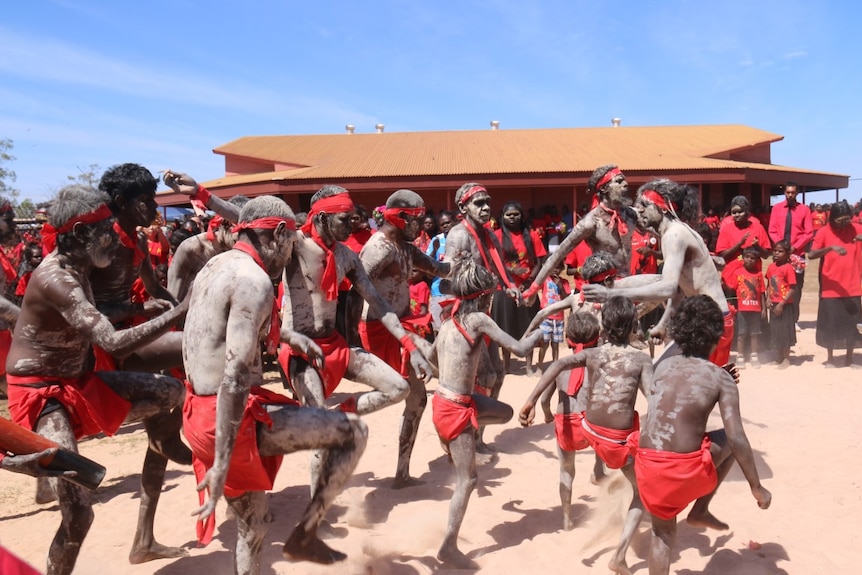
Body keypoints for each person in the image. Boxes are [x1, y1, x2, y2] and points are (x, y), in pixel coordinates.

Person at [4, 184, 191, 574]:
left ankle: (165, 447)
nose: (115, 238)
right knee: (78, 516)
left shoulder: (80, 268)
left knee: (171, 390)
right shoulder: (59, 279)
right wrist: (181, 310)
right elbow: (113, 342)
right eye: (106, 231)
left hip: (78, 381)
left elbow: (102, 318)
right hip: (43, 397)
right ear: (79, 235)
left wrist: (142, 305)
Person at [182, 196, 368, 573]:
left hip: (199, 415)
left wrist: (285, 336)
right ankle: (307, 532)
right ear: (281, 234)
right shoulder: (254, 280)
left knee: (253, 526)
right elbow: (234, 373)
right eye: (291, 242)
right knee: (353, 433)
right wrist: (221, 460)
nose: (292, 255)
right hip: (227, 419)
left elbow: (213, 334)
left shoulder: (216, 264)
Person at [633, 295, 771, 575]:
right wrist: (757, 487)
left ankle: (698, 513)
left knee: (662, 535)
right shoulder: (721, 379)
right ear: (718, 335)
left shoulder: (662, 367)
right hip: (681, 473)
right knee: (730, 443)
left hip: (646, 467)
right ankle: (701, 508)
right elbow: (737, 438)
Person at [430, 258, 543, 569]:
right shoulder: (478, 318)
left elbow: (430, 362)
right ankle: (448, 546)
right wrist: (538, 333)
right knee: (468, 482)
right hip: (455, 410)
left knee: (504, 412)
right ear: (484, 295)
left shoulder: (447, 322)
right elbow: (518, 350)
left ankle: (460, 440)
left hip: (444, 402)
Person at [582, 179, 735, 367]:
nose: (639, 211)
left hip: (713, 324)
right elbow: (680, 288)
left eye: (645, 206)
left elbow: (669, 287)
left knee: (699, 385)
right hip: (706, 321)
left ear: (663, 208)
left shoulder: (674, 235)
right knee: (662, 373)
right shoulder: (673, 233)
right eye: (638, 207)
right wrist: (663, 323)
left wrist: (611, 293)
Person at [357, 189, 449, 488]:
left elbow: (438, 269)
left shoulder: (405, 248)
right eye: (417, 220)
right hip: (380, 330)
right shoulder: (378, 248)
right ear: (399, 218)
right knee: (438, 366)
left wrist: (467, 264)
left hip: (401, 326)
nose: (422, 227)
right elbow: (354, 287)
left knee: (418, 400)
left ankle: (402, 473)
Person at [578, 295, 653, 575]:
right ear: (634, 323)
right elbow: (654, 399)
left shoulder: (595, 353)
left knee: (624, 466)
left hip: (589, 431)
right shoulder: (640, 359)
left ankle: (600, 473)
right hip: (616, 441)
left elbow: (562, 366)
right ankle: (619, 556)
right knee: (643, 491)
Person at [443, 183, 521, 450]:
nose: (486, 208)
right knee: (485, 376)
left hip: (485, 311)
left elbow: (499, 268)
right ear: (463, 208)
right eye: (479, 203)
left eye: (488, 202)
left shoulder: (490, 236)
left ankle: (478, 436)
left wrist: (510, 286)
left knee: (497, 374)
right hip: (465, 315)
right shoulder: (457, 236)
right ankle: (466, 435)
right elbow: (451, 278)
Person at [518, 311, 603, 531]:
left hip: (566, 423)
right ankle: (599, 468)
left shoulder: (560, 366)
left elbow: (546, 399)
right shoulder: (599, 362)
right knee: (604, 442)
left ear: (569, 340)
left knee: (566, 472)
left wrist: (547, 414)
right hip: (590, 422)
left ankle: (566, 518)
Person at [523, 164, 637, 300]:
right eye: (619, 181)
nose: (626, 184)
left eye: (624, 180)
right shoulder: (590, 223)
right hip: (604, 288)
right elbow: (558, 255)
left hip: (628, 283)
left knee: (664, 285)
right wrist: (534, 288)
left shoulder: (631, 215)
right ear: (604, 188)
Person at [493, 201, 547, 375]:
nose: (512, 217)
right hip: (505, 289)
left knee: (529, 327)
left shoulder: (532, 235)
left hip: (527, 289)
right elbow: (494, 263)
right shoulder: (496, 236)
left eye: (516, 214)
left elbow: (540, 262)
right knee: (505, 328)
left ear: (522, 216)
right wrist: (512, 271)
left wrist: (530, 280)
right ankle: (507, 366)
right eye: (508, 214)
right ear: (502, 216)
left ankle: (530, 366)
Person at [807, 200, 862, 368]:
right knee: (830, 323)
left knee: (851, 323)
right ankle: (830, 358)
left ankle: (849, 358)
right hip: (830, 287)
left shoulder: (857, 229)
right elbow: (811, 254)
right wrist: (830, 248)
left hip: (852, 285)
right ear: (832, 219)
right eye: (840, 220)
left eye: (846, 219)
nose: (844, 223)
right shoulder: (824, 232)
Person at [166, 195, 250, 301]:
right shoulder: (192, 249)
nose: (245, 240)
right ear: (226, 224)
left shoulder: (245, 252)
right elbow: (172, 303)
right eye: (242, 232)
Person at [768, 182, 814, 325]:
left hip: (797, 254)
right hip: (780, 254)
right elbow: (772, 230)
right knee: (777, 282)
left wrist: (795, 247)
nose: (790, 195)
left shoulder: (804, 210)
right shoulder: (776, 209)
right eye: (788, 192)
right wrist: (781, 247)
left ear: (797, 193)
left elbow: (809, 233)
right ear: (784, 193)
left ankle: (793, 319)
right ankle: (778, 314)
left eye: (792, 192)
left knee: (796, 286)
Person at [716, 195, 771, 298]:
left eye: (740, 211)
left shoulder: (758, 228)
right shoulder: (726, 230)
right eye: (734, 212)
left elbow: (766, 255)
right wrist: (739, 244)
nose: (737, 215)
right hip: (730, 281)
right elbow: (722, 255)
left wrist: (757, 246)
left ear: (747, 211)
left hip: (752, 280)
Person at [730, 246, 768, 369]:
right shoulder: (737, 273)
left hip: (755, 310)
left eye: (753, 258)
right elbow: (732, 288)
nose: (750, 260)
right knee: (741, 333)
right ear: (743, 258)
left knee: (754, 334)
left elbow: (762, 292)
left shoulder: (758, 274)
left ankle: (754, 355)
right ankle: (740, 356)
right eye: (747, 257)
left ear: (757, 260)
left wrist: (763, 309)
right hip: (742, 309)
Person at [765, 240, 797, 368]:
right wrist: (768, 298)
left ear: (787, 253)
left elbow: (793, 288)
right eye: (775, 251)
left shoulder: (788, 268)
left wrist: (782, 303)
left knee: (785, 331)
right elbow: (769, 284)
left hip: (785, 305)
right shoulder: (771, 267)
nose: (777, 253)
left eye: (781, 251)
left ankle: (786, 358)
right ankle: (778, 356)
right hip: (773, 303)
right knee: (775, 330)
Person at [535, 262, 570, 375]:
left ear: (561, 269)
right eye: (553, 268)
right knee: (544, 343)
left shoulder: (564, 282)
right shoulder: (546, 280)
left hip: (559, 318)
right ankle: (539, 367)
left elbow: (566, 298)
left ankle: (555, 367)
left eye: (558, 268)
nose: (555, 270)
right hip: (546, 317)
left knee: (555, 344)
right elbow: (536, 286)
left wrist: (560, 286)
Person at [425, 210, 455, 333]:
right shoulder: (436, 240)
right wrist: (434, 250)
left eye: (448, 223)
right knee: (440, 329)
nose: (446, 226)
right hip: (438, 291)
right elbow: (426, 266)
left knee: (455, 328)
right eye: (442, 225)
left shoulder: (462, 239)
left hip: (456, 291)